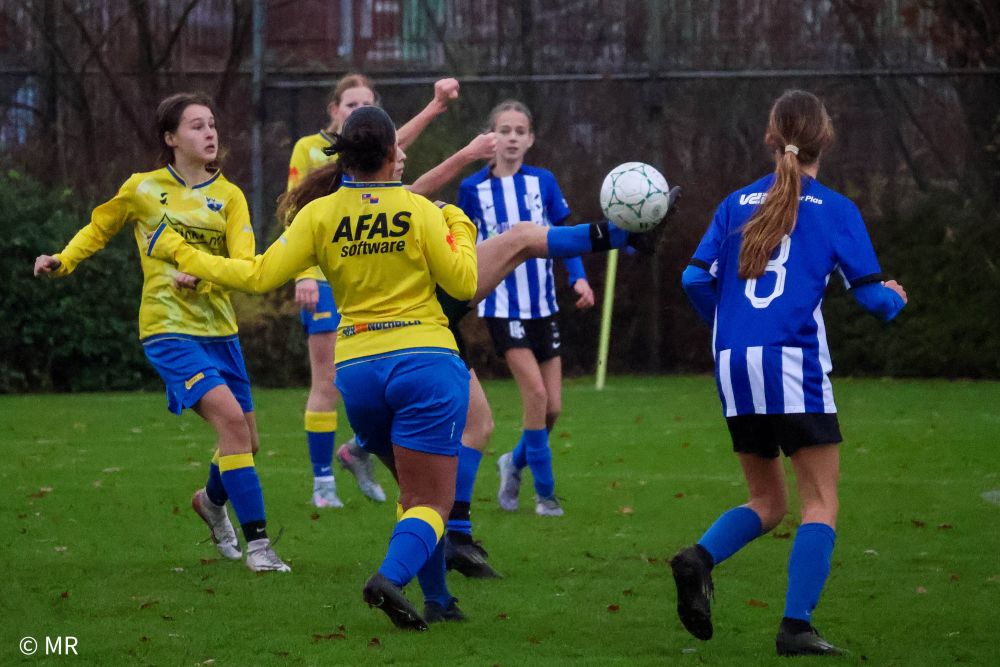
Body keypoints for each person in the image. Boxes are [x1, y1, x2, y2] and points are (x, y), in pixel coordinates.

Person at [145, 106, 478, 629]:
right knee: (434, 500)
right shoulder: (418, 210)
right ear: (392, 152)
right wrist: (460, 223)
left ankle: (439, 601)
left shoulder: (320, 214)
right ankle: (389, 578)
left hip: (359, 371)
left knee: (414, 495)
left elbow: (257, 276)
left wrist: (180, 253)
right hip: (424, 363)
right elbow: (462, 283)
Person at [670, 89, 908, 656]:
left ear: (771, 138)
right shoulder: (835, 209)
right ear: (825, 139)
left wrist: (726, 323)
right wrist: (896, 299)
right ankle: (796, 626)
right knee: (819, 502)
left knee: (768, 503)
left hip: (734, 363)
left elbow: (693, 278)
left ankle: (698, 558)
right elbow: (872, 298)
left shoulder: (735, 204)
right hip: (793, 362)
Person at [32, 92, 289, 573]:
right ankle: (259, 547)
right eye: (196, 126)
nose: (209, 133)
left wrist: (203, 278)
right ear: (170, 138)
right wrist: (62, 260)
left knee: (247, 442)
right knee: (231, 424)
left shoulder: (230, 196)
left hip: (221, 331)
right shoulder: (143, 188)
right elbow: (98, 228)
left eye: (212, 124)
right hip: (168, 329)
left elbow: (243, 265)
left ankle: (210, 502)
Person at [287, 73, 461, 509]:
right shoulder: (308, 149)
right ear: (334, 110)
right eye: (350, 103)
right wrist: (303, 273)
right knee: (326, 381)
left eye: (367, 103)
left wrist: (434, 108)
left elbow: (391, 146)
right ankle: (323, 479)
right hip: (324, 275)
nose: (357, 109)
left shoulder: (377, 154)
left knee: (367, 382)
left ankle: (367, 456)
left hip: (362, 272)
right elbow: (295, 215)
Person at [457, 99, 595, 518]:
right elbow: (461, 244)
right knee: (534, 394)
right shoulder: (472, 190)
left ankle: (513, 463)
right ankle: (545, 495)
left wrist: (578, 276)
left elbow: (565, 233)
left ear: (531, 139)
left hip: (543, 305)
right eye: (504, 130)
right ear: (491, 138)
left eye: (520, 131)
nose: (512, 138)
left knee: (552, 408)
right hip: (502, 307)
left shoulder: (543, 182)